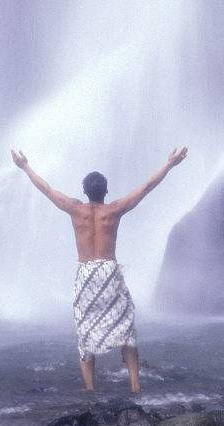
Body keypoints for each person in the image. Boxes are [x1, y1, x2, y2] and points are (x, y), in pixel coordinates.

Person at [10, 147, 188, 393]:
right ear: (106, 191)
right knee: (125, 326)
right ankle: (135, 386)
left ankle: (90, 391)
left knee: (85, 328)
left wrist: (25, 166)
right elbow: (146, 188)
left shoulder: (75, 209)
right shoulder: (113, 210)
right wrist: (169, 164)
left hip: (86, 273)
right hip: (108, 271)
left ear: (84, 191)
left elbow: (47, 189)